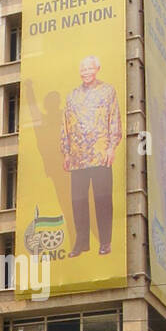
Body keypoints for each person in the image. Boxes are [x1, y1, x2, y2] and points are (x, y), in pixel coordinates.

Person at [60, 55, 122, 257]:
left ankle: (105, 242)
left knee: (103, 200)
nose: (86, 72)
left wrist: (112, 147)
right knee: (78, 201)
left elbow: (114, 119)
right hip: (78, 158)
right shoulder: (72, 96)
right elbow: (65, 124)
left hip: (100, 154)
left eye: (89, 68)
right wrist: (66, 152)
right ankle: (82, 242)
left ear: (97, 69)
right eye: (83, 69)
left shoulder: (108, 91)